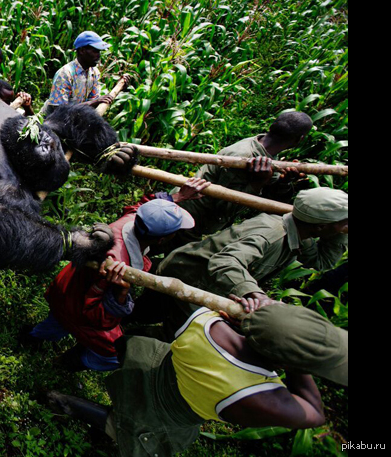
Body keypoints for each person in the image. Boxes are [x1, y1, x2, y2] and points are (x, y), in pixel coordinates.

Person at [47, 299, 346, 457]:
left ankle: (66, 361)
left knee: (115, 359)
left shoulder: (208, 319)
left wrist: (265, 321)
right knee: (129, 431)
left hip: (147, 363)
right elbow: (315, 414)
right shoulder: (258, 396)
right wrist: (298, 363)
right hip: (163, 414)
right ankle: (67, 403)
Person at [23, 185, 204, 371]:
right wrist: (120, 294)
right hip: (76, 307)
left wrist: (176, 197)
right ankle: (67, 363)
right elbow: (95, 317)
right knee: (115, 355)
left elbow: (140, 207)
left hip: (66, 285)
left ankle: (34, 336)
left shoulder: (130, 221)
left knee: (55, 322)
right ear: (162, 240)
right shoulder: (118, 267)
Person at [158, 187, 348, 328]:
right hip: (185, 277)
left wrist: (340, 231)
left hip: (203, 283)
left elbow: (322, 261)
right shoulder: (271, 234)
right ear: (320, 227)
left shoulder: (300, 235)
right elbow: (224, 261)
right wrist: (255, 294)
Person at [164, 111, 314, 251]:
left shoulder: (265, 149)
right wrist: (258, 183)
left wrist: (284, 180)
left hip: (194, 217)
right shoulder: (243, 157)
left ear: (272, 126)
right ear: (299, 139)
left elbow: (270, 192)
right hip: (186, 215)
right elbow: (224, 203)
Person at [40, 31, 115, 116]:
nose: (98, 55)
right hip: (52, 121)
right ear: (82, 51)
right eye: (95, 51)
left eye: (99, 52)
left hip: (75, 118)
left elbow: (93, 102)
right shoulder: (65, 74)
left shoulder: (94, 72)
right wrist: (94, 102)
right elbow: (59, 111)